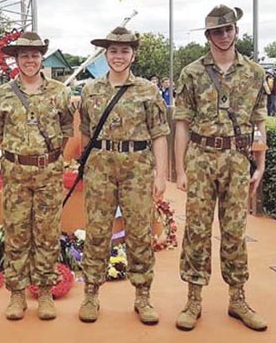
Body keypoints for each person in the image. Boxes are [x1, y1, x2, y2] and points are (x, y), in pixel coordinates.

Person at [173, 4, 268, 332]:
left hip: (237, 159)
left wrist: (260, 163)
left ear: (236, 31)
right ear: (208, 35)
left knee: (234, 231)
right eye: (217, 31)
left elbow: (258, 121)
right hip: (201, 157)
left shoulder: (254, 73)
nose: (223, 35)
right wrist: (180, 170)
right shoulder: (192, 73)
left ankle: (237, 297)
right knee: (197, 229)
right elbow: (182, 123)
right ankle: (194, 298)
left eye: (228, 29)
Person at [77, 26, 169, 325]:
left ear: (134, 54)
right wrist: (85, 167)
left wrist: (161, 174)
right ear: (106, 54)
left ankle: (142, 294)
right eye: (113, 51)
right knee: (97, 230)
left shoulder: (147, 89)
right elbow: (86, 132)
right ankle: (91, 293)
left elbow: (159, 134)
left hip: (137, 167)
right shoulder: (90, 89)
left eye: (125, 50)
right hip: (100, 166)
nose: (119, 56)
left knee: (139, 231)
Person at [0, 32, 74, 321]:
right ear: (16, 59)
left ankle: (46, 293)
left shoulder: (59, 92)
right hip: (15, 174)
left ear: (42, 58)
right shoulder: (3, 94)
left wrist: (47, 157)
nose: (29, 60)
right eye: (24, 55)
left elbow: (66, 129)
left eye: (35, 55)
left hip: (49, 173)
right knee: (16, 233)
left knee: (47, 234)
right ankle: (16, 294)